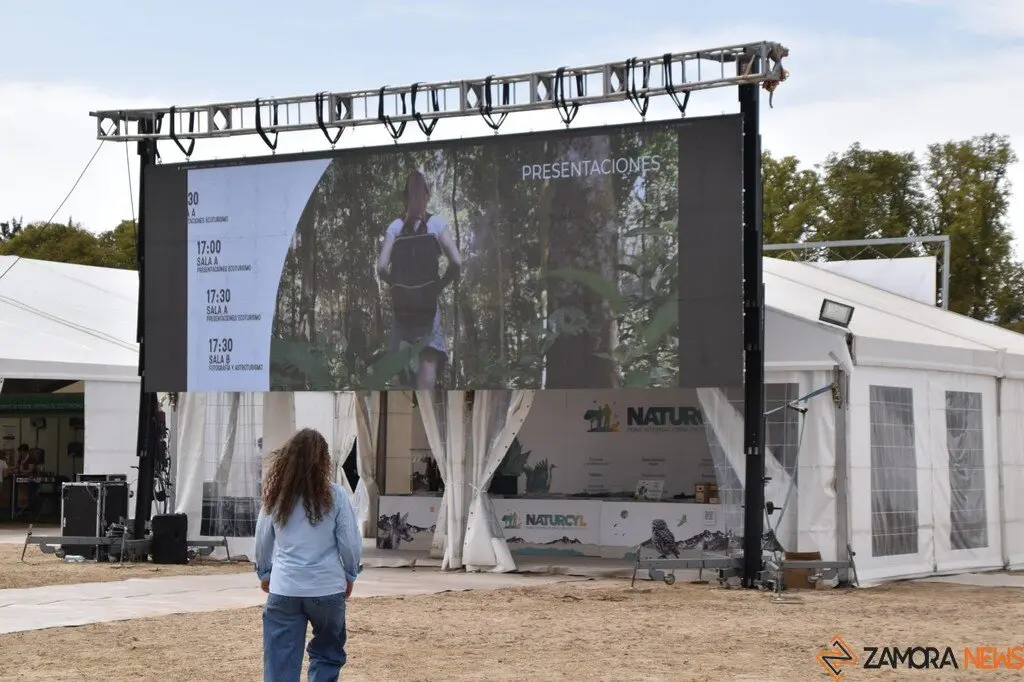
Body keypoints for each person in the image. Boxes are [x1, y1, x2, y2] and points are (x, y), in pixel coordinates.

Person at [254, 428, 363, 682]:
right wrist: (349, 573)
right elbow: (349, 543)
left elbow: (262, 540)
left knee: (280, 660)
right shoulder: (336, 495)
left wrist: (265, 573)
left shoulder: (276, 496)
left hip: (285, 587)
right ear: (324, 461)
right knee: (327, 653)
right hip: (327, 587)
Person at [376, 169, 462, 390]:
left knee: (397, 371)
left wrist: (396, 286)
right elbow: (457, 262)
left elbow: (382, 267)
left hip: (403, 310)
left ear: (405, 198)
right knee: (428, 362)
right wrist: (438, 286)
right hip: (428, 309)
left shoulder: (395, 227)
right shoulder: (436, 224)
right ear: (427, 196)